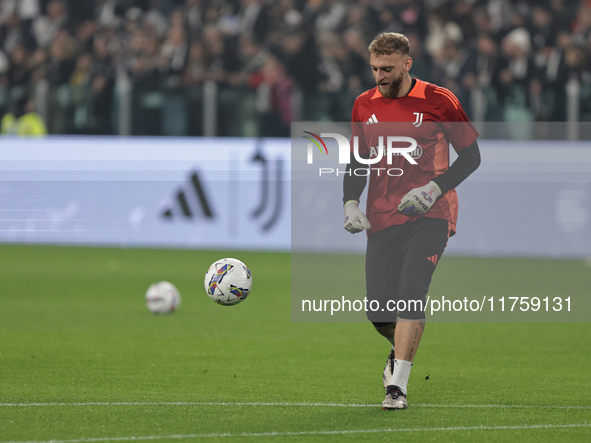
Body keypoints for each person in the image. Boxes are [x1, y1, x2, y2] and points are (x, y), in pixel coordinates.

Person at [342, 32, 481, 410]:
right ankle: (399, 349)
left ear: (407, 64)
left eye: (386, 69)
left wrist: (435, 188)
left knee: (411, 292)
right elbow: (358, 162)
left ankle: (397, 387)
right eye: (374, 69)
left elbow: (471, 157)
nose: (379, 77)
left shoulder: (440, 100)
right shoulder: (363, 105)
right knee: (377, 311)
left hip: (431, 214)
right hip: (383, 217)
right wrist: (351, 203)